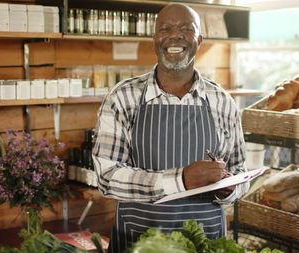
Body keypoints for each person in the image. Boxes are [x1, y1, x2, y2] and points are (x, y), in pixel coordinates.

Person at [92, 3, 248, 252]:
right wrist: (181, 180)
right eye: (165, 29)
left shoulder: (222, 101)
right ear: (155, 39)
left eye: (186, 29)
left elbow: (240, 170)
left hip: (205, 241)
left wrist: (230, 187)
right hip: (139, 241)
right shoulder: (122, 97)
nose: (175, 35)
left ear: (199, 39)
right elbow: (106, 177)